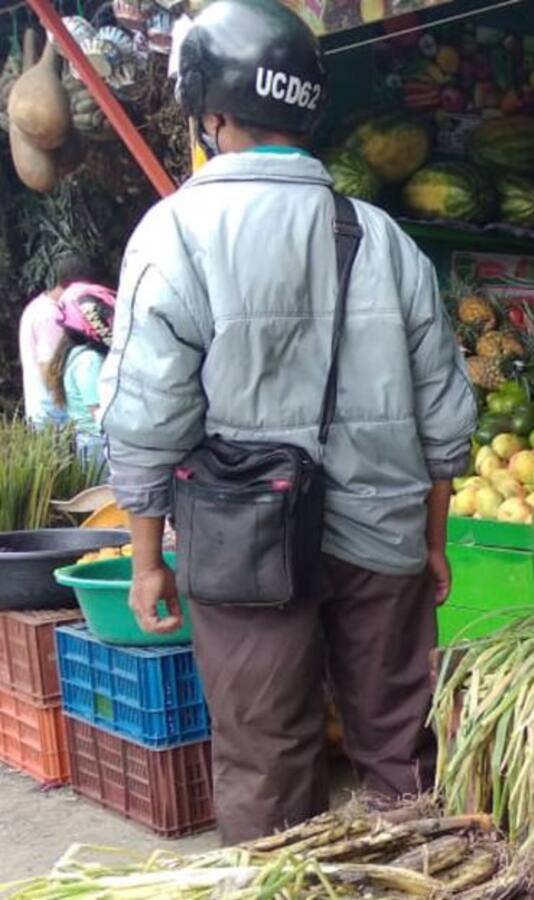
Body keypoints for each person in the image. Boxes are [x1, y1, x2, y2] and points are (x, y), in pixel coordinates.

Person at [99, 0, 476, 843]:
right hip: (384, 535)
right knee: (401, 753)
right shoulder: (383, 237)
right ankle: (427, 881)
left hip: (244, 544)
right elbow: (446, 415)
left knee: (267, 766)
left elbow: (149, 416)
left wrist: (148, 560)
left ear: (211, 112)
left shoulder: (175, 233)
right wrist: (434, 541)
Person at [18, 254, 95, 428]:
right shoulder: (51, 316)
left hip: (44, 412)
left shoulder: (38, 307)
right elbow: (49, 368)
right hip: (53, 417)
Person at [48, 283, 117, 463]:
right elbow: (100, 413)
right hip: (98, 445)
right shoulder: (89, 361)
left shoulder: (76, 354)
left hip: (90, 443)